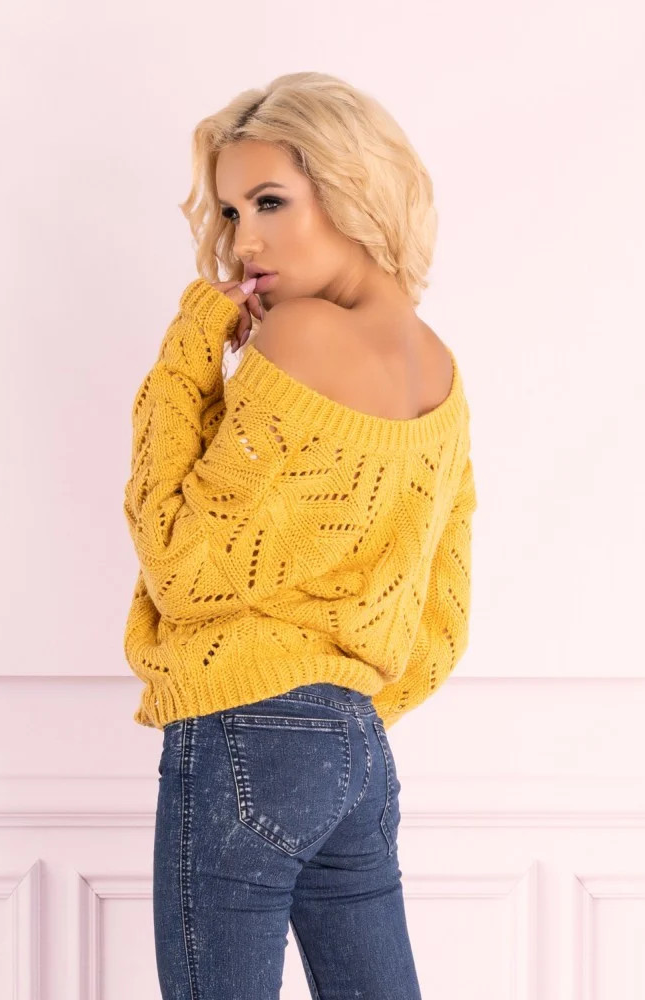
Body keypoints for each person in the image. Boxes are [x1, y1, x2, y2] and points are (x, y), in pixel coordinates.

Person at [122, 71, 477, 1000]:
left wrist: (194, 339)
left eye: (270, 201)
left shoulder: (302, 336)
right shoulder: (438, 366)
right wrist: (335, 721)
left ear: (354, 187)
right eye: (231, 211)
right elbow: (440, 613)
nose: (244, 242)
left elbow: (183, 564)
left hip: (245, 726)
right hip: (357, 747)